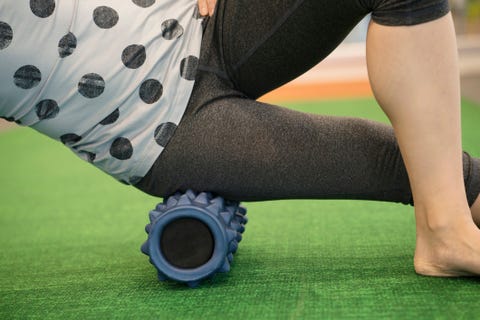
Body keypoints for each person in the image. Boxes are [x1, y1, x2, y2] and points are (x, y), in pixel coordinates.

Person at [1, 0, 479, 277]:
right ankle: (446, 234)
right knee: (430, 171)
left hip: (208, 24)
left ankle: (449, 224)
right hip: (162, 131)